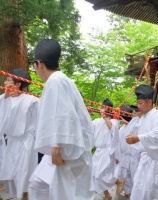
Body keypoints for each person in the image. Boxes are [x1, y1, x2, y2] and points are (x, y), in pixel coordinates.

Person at [28, 39, 94, 200]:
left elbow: (64, 116)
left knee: (68, 194)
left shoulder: (56, 81)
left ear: (39, 64)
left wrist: (57, 147)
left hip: (66, 150)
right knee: (38, 184)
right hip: (66, 148)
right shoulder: (61, 80)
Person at [125, 84, 158, 200]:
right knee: (141, 189)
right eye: (137, 103)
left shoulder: (157, 116)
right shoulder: (143, 118)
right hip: (145, 160)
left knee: (154, 191)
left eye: (140, 103)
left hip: (156, 161)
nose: (138, 106)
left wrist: (139, 138)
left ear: (149, 102)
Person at [0, 68, 39, 200]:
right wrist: (5, 97)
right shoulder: (2, 99)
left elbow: (40, 122)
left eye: (8, 79)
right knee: (11, 176)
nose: (5, 82)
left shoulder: (31, 101)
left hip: (26, 143)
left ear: (17, 84)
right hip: (11, 143)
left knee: (25, 177)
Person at [91, 98, 120, 200]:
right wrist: (87, 113)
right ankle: (107, 195)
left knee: (103, 174)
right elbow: (86, 128)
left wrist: (104, 116)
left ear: (109, 110)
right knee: (94, 174)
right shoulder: (96, 121)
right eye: (102, 107)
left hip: (107, 152)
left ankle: (117, 181)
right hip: (98, 151)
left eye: (105, 108)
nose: (102, 109)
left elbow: (112, 128)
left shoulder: (114, 121)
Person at [116, 105, 140, 200]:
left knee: (136, 178)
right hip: (125, 156)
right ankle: (128, 194)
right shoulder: (122, 129)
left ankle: (135, 196)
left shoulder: (136, 125)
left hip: (135, 156)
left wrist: (136, 115)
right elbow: (118, 144)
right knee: (125, 176)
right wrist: (117, 157)